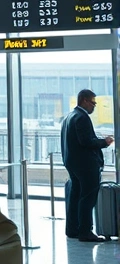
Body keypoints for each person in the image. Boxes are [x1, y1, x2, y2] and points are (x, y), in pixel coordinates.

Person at [61, 89, 114, 242]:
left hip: (73, 163)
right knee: (87, 197)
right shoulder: (82, 117)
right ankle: (85, 231)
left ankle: (72, 229)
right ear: (84, 100)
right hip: (85, 165)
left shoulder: (69, 117)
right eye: (93, 102)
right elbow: (86, 142)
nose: (94, 106)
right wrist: (104, 142)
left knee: (75, 195)